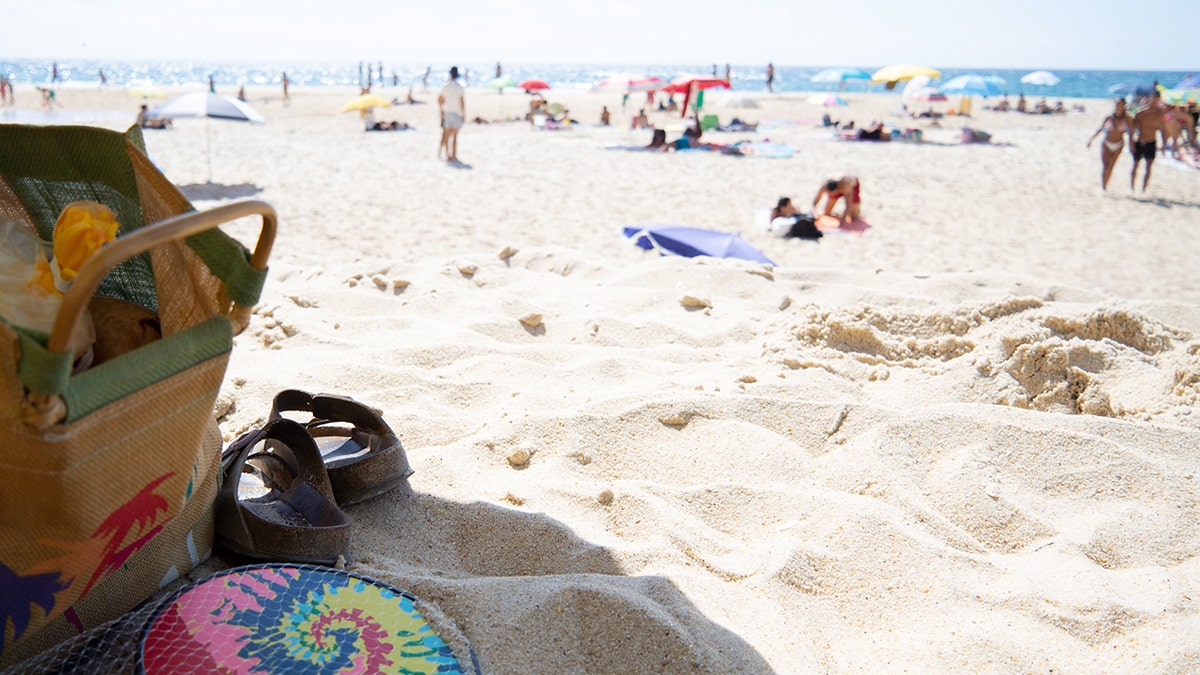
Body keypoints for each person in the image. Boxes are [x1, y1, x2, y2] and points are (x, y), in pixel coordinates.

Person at [1086, 98, 1133, 191]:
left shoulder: (1128, 119)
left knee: (1111, 166)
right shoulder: (1108, 118)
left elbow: (1131, 133)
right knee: (1105, 166)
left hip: (1119, 145)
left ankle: (1105, 185)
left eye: (1119, 104)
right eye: (1116, 104)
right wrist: (1091, 139)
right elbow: (1100, 129)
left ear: (1124, 106)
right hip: (1106, 144)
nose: (1117, 106)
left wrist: (1131, 145)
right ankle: (1103, 187)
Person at [1130, 90, 1167, 191]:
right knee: (1135, 165)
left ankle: (1144, 189)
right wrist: (1131, 143)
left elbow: (1163, 129)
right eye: (1153, 98)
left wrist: (1164, 144)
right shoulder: (1140, 113)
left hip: (1151, 142)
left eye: (1156, 99)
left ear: (1159, 100)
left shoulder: (1161, 114)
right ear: (1149, 99)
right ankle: (1132, 187)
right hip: (1140, 142)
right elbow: (1132, 129)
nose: (1154, 101)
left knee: (1149, 167)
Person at [438, 66, 465, 162]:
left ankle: (446, 154)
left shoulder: (445, 87)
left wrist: (442, 110)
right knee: (454, 137)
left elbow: (440, 100)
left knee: (446, 135)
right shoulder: (459, 88)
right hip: (457, 113)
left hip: (448, 113)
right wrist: (463, 115)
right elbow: (462, 103)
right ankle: (453, 155)